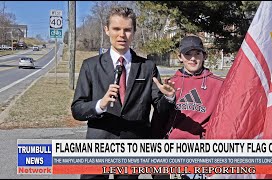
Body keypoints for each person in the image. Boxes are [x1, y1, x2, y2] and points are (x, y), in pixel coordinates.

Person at [71, 6, 175, 179]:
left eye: (127, 30)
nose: (122, 35)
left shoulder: (147, 67)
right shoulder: (90, 66)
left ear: (134, 31)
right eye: (116, 29)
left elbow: (160, 108)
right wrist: (100, 104)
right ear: (106, 30)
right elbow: (77, 109)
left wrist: (169, 97)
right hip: (98, 144)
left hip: (132, 145)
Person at [151, 35, 224, 179]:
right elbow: (158, 120)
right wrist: (168, 98)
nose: (192, 58)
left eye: (197, 53)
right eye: (187, 54)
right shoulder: (170, 83)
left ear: (204, 55)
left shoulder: (219, 84)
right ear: (180, 57)